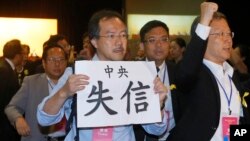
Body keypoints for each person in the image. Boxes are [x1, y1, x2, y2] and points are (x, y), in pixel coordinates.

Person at [37, 9, 168, 141]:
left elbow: (156, 130)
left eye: (123, 35)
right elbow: (44, 119)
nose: (119, 42)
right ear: (94, 41)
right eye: (111, 36)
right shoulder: (76, 73)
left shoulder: (136, 74)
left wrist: (158, 105)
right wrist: (64, 92)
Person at [167, 2, 250, 141]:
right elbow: (184, 74)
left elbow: (237, 123)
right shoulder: (193, 72)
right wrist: (204, 22)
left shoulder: (232, 75)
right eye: (220, 34)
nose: (228, 39)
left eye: (229, 33)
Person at [5, 44, 68, 141]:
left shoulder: (72, 83)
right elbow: (11, 108)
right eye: (52, 59)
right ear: (44, 63)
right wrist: (18, 119)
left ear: (66, 62)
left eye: (61, 59)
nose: (57, 64)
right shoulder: (31, 82)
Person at [134, 20, 179, 141]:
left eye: (164, 40)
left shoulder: (178, 72)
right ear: (142, 46)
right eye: (152, 40)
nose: (159, 45)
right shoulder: (133, 71)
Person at [0, 39, 24, 141]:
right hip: (4, 122)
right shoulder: (4, 70)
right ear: (17, 55)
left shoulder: (7, 67)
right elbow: (2, 98)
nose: (23, 57)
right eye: (22, 54)